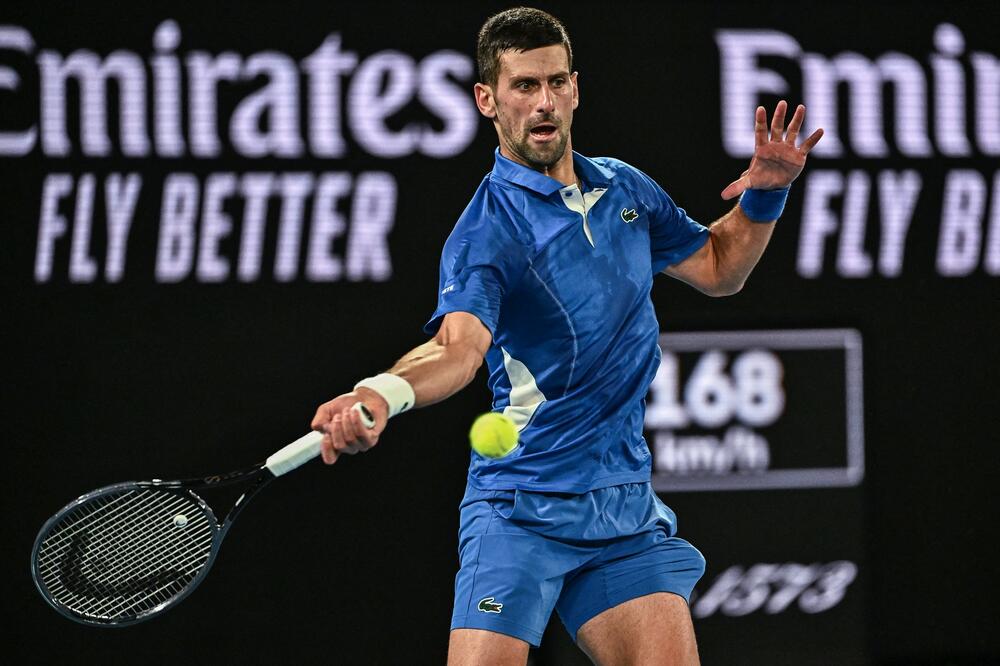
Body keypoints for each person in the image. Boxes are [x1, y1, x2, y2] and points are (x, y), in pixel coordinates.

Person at [311, 7, 822, 665]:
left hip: (621, 508)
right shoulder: (488, 232)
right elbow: (456, 349)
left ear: (576, 88)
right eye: (524, 86)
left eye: (556, 82)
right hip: (521, 509)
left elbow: (721, 268)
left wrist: (766, 196)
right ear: (487, 100)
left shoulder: (626, 188)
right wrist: (382, 392)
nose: (544, 102)